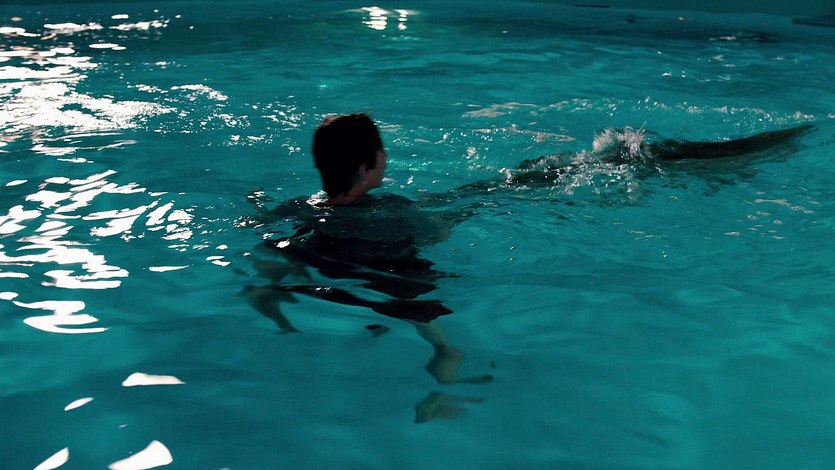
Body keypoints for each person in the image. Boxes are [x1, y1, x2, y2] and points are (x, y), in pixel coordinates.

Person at [243, 113, 812, 387]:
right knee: (504, 193)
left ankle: (276, 296)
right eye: (382, 154)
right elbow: (434, 234)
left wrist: (271, 277)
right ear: (370, 168)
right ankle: (446, 355)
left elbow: (269, 236)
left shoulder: (301, 209)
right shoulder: (389, 211)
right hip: (388, 266)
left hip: (326, 266)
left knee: (334, 266)